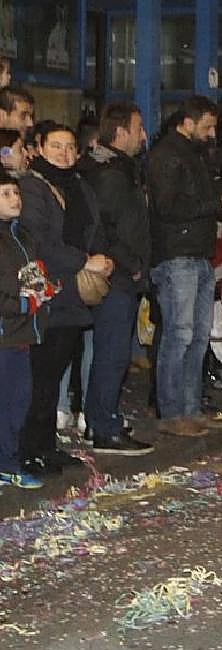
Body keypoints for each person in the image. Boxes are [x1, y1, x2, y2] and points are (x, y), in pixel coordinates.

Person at [146, 96, 222, 437]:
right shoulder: (167, 155)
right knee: (180, 334)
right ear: (186, 123)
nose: (212, 133)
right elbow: (167, 207)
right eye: (207, 126)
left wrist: (220, 199)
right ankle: (172, 411)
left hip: (198, 254)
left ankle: (190, 408)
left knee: (199, 336)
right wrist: (216, 203)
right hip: (178, 255)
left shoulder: (193, 155)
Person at [17, 121, 112, 476]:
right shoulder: (32, 187)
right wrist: (84, 260)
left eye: (70, 146)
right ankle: (28, 450)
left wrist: (104, 258)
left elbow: (95, 230)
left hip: (73, 294)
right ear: (40, 148)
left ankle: (46, 446)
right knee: (39, 377)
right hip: (48, 293)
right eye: (56, 146)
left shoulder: (79, 185)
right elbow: (38, 240)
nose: (64, 153)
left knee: (54, 375)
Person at [79, 103, 154, 455]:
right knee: (112, 353)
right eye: (138, 128)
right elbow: (106, 228)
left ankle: (101, 418)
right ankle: (103, 426)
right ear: (120, 132)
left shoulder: (120, 171)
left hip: (122, 273)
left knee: (111, 352)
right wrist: (131, 263)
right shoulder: (111, 176)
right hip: (117, 277)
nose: (144, 136)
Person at [0, 168, 58, 489]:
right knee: (9, 402)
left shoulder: (22, 235)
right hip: (6, 332)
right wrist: (22, 304)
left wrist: (45, 290)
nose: (15, 199)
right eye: (5, 194)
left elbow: (31, 276)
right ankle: (7, 463)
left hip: (23, 332)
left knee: (19, 400)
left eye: (16, 193)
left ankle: (7, 460)